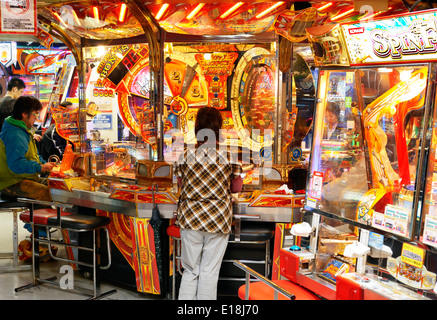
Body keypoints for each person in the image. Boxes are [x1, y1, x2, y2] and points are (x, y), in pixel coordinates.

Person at [174, 107, 243, 300]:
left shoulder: (185, 155)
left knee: (190, 270)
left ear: (197, 128)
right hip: (217, 219)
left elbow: (181, 183)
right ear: (218, 128)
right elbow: (236, 187)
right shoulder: (229, 156)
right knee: (209, 271)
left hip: (190, 218)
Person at [0, 96, 55, 201]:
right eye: (35, 114)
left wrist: (45, 166)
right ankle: (38, 216)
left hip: (26, 177)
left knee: (58, 187)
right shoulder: (15, 134)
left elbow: (34, 156)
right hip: (11, 182)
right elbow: (15, 165)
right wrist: (40, 168)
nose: (36, 118)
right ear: (24, 114)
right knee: (50, 194)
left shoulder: (24, 131)